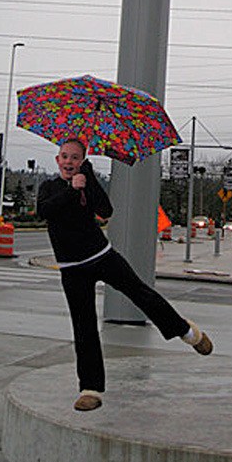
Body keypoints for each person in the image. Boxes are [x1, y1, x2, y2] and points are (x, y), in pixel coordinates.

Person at [37, 138, 213, 412]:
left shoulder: (87, 180)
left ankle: (187, 332)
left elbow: (106, 211)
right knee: (83, 327)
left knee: (141, 294)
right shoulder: (50, 188)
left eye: (75, 158)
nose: (69, 162)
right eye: (64, 157)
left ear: (82, 160)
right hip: (72, 268)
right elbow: (44, 212)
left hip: (101, 256)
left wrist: (90, 180)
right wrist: (72, 190)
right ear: (57, 160)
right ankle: (90, 388)